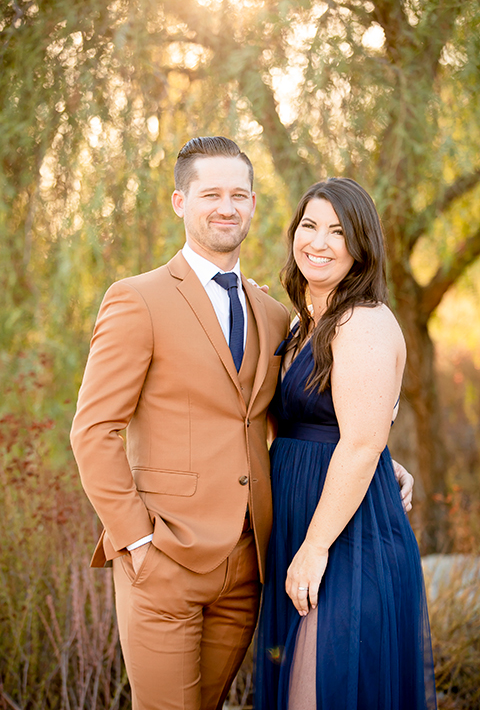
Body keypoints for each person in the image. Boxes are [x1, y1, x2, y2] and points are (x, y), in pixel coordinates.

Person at [70, 138, 414, 710]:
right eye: (211, 194)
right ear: (180, 202)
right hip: (165, 558)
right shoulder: (138, 299)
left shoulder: (275, 314)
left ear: (254, 205)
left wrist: (377, 456)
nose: (225, 207)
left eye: (238, 195)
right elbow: (93, 430)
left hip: (253, 562)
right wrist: (137, 541)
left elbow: (304, 414)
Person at [254, 178, 436, 710]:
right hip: (302, 527)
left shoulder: (364, 322)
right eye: (309, 225)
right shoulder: (303, 326)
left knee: (324, 691)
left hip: (346, 540)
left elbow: (358, 444)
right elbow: (318, 424)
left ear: (361, 246)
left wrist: (314, 549)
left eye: (338, 230)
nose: (320, 241)